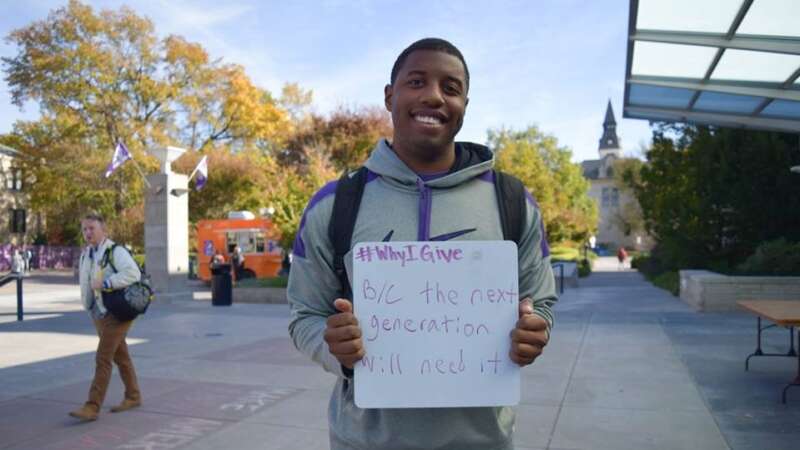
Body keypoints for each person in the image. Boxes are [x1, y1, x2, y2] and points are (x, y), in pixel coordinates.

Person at [287, 38, 557, 450]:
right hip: (362, 441)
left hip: (484, 441)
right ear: (389, 95)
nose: (433, 96)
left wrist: (534, 330)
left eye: (451, 88)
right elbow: (304, 314)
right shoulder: (335, 204)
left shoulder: (513, 202)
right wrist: (333, 348)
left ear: (465, 104)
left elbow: (541, 303)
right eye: (417, 82)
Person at [69, 212, 142, 422]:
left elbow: (133, 273)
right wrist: (88, 304)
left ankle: (92, 406)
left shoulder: (115, 251)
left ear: (103, 230)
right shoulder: (87, 254)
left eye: (92, 228)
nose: (88, 232)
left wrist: (107, 283)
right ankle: (133, 395)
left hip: (118, 312)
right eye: (85, 229)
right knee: (121, 356)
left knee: (103, 358)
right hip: (98, 312)